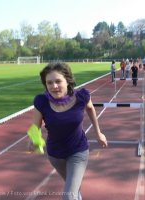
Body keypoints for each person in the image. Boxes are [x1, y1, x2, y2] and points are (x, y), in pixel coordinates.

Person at [27, 62, 108, 200]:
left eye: (58, 81)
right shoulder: (41, 101)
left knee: (68, 195)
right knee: (73, 189)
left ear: (68, 81)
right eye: (49, 83)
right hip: (55, 155)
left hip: (78, 151)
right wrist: (34, 140)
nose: (54, 86)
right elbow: (35, 126)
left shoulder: (81, 97)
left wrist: (98, 132)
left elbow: (90, 108)